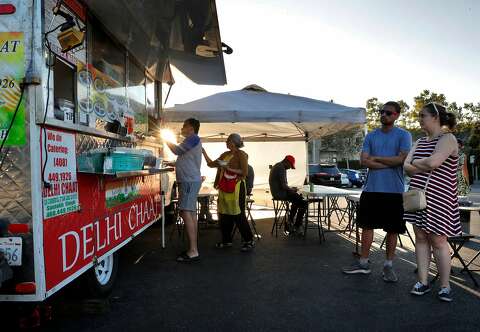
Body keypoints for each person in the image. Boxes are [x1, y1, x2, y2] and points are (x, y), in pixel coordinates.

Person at [342, 101, 412, 282]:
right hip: (371, 190)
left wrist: (377, 159)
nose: (384, 115)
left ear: (396, 115)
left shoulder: (404, 135)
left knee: (392, 230)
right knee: (367, 227)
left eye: (388, 113)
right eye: (382, 112)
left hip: (394, 192)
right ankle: (363, 263)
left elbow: (402, 160)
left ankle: (388, 266)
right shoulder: (371, 136)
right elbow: (364, 161)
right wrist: (389, 161)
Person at [404, 103, 461, 302]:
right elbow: (405, 167)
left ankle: (445, 286)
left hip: (439, 197)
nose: (419, 119)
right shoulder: (419, 142)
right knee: (420, 238)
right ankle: (423, 282)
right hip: (417, 197)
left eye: (422, 115)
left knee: (438, 240)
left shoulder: (448, 138)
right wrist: (423, 163)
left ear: (435, 117)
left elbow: (433, 163)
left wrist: (418, 163)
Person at [202, 134, 255, 252]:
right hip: (224, 187)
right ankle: (226, 241)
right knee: (224, 214)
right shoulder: (225, 154)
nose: (226, 143)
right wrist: (203, 152)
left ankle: (249, 240)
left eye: (227, 141)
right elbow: (211, 164)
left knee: (238, 214)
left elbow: (244, 172)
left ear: (233, 142)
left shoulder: (241, 154)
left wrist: (227, 168)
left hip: (237, 187)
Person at [166, 118, 202, 262]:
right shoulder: (191, 140)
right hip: (190, 180)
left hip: (189, 181)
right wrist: (174, 163)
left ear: (191, 128)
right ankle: (193, 248)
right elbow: (184, 156)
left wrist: (165, 138)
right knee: (190, 213)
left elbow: (177, 150)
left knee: (186, 213)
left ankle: (193, 250)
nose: (182, 128)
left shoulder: (193, 138)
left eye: (184, 126)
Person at [269, 155, 307, 235]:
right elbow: (284, 186)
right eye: (290, 166)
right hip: (280, 193)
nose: (290, 168)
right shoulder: (281, 168)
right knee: (303, 203)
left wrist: (291, 189)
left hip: (278, 192)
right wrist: (292, 189)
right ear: (287, 162)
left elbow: (283, 185)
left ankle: (290, 223)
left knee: (297, 200)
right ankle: (296, 225)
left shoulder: (278, 166)